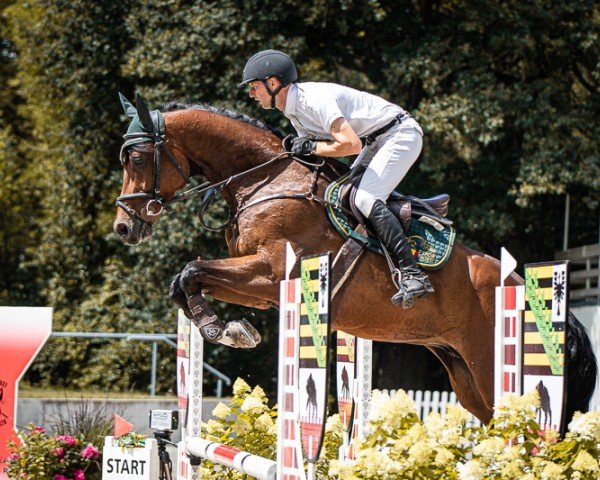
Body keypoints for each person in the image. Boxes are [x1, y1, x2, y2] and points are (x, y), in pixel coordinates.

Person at [238, 49, 433, 307]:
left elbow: (349, 145)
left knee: (365, 198)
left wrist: (311, 147)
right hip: (375, 142)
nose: (251, 94)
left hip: (400, 134)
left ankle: (413, 273)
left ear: (273, 83)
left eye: (254, 87)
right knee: (340, 194)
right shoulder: (291, 109)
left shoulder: (312, 101)